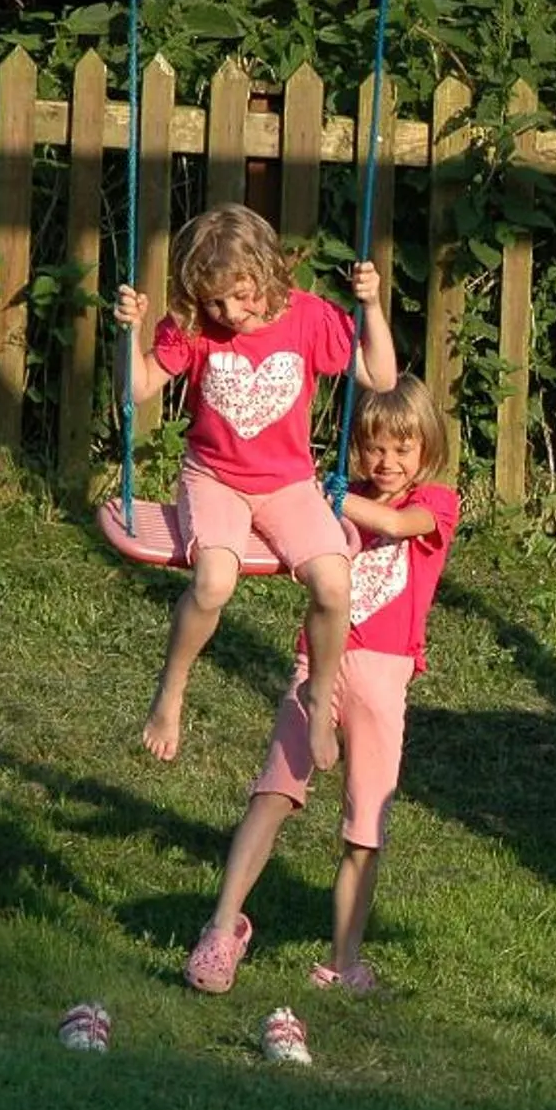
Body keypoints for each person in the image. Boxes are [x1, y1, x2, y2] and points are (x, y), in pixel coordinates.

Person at [183, 378, 460, 995]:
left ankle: (344, 963)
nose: (385, 462)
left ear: (427, 451)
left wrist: (326, 497)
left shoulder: (439, 503)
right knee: (274, 791)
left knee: (365, 829)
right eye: (372, 450)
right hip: (319, 668)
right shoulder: (327, 506)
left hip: (384, 682)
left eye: (401, 450)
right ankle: (222, 928)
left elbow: (394, 520)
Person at [110, 204, 396, 766]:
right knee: (215, 580)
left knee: (335, 582)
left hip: (289, 483)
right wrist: (130, 333)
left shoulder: (310, 317)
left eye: (240, 295)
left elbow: (380, 377)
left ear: (268, 273)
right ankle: (172, 690)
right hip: (214, 478)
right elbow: (136, 389)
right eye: (215, 300)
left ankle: (319, 694)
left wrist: (371, 305)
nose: (229, 312)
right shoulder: (195, 324)